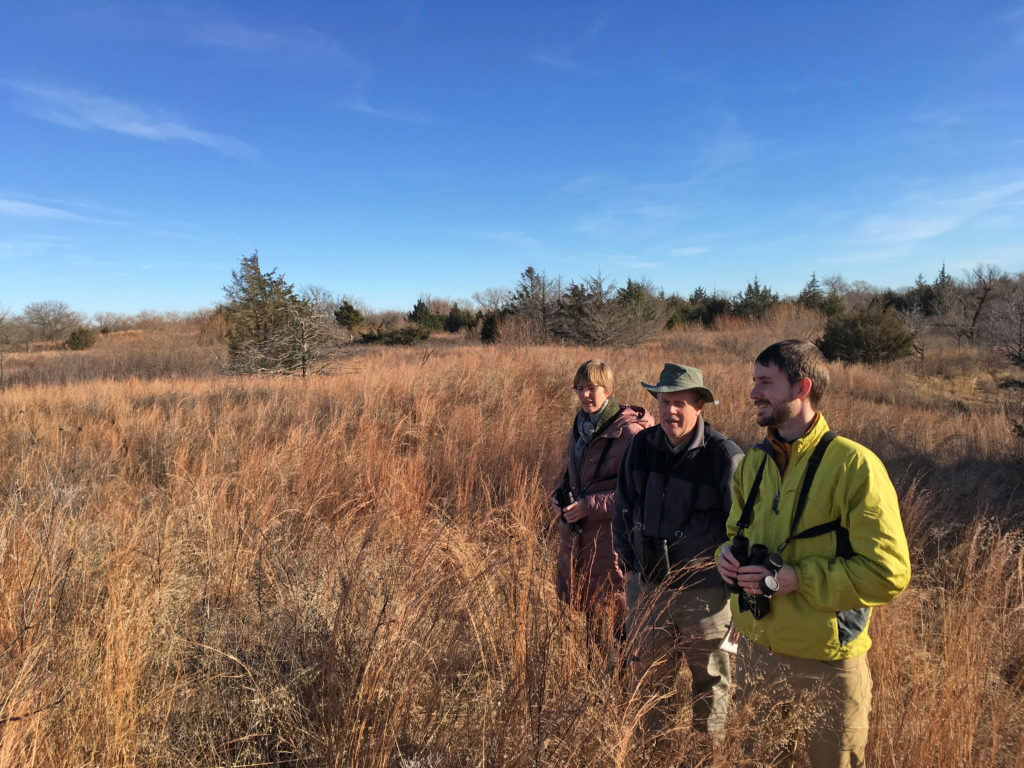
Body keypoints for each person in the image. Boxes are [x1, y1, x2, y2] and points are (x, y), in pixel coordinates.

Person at [716, 340, 911, 768]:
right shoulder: (753, 462)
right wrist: (725, 556)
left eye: (765, 383)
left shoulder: (855, 467)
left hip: (827, 666)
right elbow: (735, 532)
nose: (753, 394)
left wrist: (799, 579)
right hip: (756, 654)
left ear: (802, 387)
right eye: (754, 382)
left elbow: (888, 573)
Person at [613, 363, 742, 736]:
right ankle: (657, 754)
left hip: (705, 597)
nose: (670, 410)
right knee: (650, 684)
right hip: (649, 589)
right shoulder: (642, 445)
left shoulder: (723, 456)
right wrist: (630, 565)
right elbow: (623, 506)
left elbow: (743, 530)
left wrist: (737, 596)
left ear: (699, 405)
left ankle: (706, 757)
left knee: (711, 684)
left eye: (680, 403)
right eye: (664, 401)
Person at [551, 360, 654, 635]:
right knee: (591, 620)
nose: (585, 395)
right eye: (580, 388)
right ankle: (593, 677)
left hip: (612, 539)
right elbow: (574, 472)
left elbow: (638, 491)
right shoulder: (580, 426)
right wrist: (560, 493)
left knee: (617, 619)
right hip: (580, 538)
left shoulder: (630, 433)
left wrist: (588, 506)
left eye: (592, 388)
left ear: (608, 389)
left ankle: (619, 678)